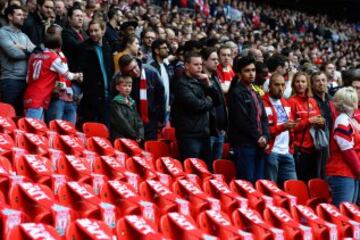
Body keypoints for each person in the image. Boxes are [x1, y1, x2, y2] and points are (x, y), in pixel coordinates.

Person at [24, 25, 82, 120]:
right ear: (59, 45)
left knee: (36, 130)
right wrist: (78, 75)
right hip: (41, 98)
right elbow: (69, 76)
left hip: (30, 95)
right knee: (33, 130)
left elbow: (27, 79)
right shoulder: (53, 58)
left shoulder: (36, 56)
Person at [172, 51, 220, 164]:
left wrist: (208, 84)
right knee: (192, 169)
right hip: (189, 134)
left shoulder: (202, 80)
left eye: (201, 64)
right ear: (187, 66)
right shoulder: (181, 84)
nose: (199, 67)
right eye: (196, 64)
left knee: (206, 169)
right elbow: (197, 105)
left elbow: (218, 101)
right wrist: (209, 100)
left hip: (204, 132)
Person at [228, 56, 269, 183]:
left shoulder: (254, 92)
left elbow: (263, 118)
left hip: (258, 145)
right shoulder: (236, 93)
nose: (251, 73)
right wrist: (259, 137)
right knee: (247, 184)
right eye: (247, 70)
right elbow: (242, 121)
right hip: (245, 144)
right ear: (239, 73)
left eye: (253, 70)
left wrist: (266, 136)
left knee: (258, 183)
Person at [118, 54, 165, 140]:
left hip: (150, 119)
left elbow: (161, 97)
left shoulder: (151, 72)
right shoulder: (119, 78)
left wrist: (160, 118)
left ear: (136, 62)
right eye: (130, 71)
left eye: (135, 67)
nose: (135, 72)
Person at [288, 72, 325, 182]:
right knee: (301, 181)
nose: (300, 84)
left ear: (307, 84)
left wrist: (321, 122)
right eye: (297, 81)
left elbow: (319, 118)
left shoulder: (312, 101)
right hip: (299, 149)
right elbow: (291, 127)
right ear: (293, 84)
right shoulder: (291, 101)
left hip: (314, 148)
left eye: (303, 81)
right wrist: (308, 121)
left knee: (313, 181)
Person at [326, 87, 360, 206]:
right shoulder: (342, 121)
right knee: (343, 211)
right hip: (343, 172)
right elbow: (347, 151)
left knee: (350, 210)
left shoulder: (349, 120)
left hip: (351, 172)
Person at [262, 74, 297, 186]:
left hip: (287, 152)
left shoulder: (287, 103)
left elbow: (291, 128)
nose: (280, 88)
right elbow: (263, 130)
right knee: (271, 188)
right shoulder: (262, 103)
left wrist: (291, 149)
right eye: (276, 84)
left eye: (283, 85)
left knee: (292, 188)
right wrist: (283, 127)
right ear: (269, 86)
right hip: (272, 152)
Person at [0, 5, 35, 116]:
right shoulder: (2, 33)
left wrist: (23, 48)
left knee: (20, 117)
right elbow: (14, 53)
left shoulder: (23, 35)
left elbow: (36, 52)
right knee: (7, 117)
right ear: (10, 16)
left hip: (25, 82)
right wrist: (28, 51)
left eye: (23, 15)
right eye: (19, 15)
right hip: (10, 81)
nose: (22, 17)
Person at [78, 19, 114, 126]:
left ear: (103, 31)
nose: (93, 33)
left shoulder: (108, 46)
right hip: (91, 96)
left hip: (107, 95)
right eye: (91, 31)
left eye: (96, 30)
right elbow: (81, 70)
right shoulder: (83, 47)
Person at [202, 47, 228, 162]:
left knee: (216, 166)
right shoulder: (200, 79)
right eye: (213, 59)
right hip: (209, 132)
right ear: (204, 60)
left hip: (220, 131)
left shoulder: (215, 77)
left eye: (217, 59)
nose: (217, 62)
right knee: (206, 165)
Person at [310, 71, 336, 177]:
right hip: (316, 143)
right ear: (312, 84)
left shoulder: (332, 101)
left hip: (331, 140)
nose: (321, 83)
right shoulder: (310, 101)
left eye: (323, 80)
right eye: (317, 81)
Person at [110, 75, 144, 142]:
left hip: (133, 137)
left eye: (129, 86)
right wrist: (135, 136)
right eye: (125, 86)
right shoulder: (115, 103)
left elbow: (139, 121)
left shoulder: (132, 102)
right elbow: (122, 122)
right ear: (117, 88)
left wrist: (140, 135)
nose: (127, 88)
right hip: (121, 137)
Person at [150, 39, 172, 123]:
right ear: (156, 50)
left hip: (167, 109)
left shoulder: (166, 66)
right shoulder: (152, 68)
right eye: (165, 48)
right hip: (156, 111)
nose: (168, 50)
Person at [61, 6, 87, 72]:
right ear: (69, 18)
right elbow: (78, 46)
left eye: (81, 16)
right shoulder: (65, 33)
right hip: (73, 72)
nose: (80, 18)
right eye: (77, 16)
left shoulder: (84, 33)